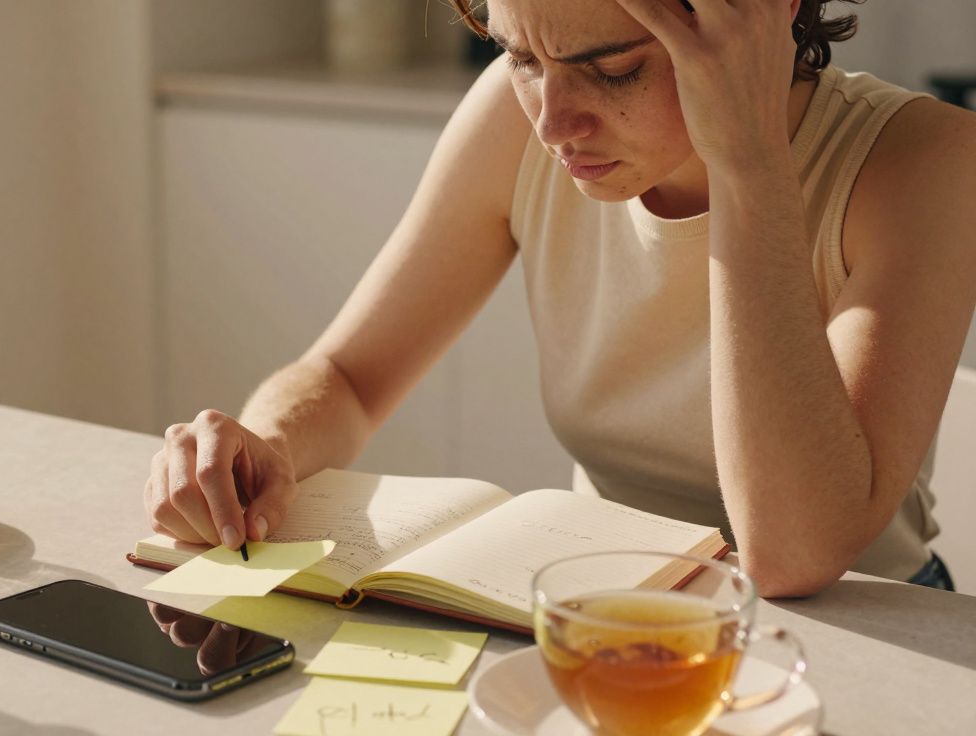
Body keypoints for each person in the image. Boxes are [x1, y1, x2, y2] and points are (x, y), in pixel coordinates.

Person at [143, 0, 975, 596]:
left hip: (867, 633)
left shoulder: (925, 163)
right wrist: (265, 448)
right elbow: (349, 377)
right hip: (610, 612)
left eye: (612, 70)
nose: (551, 123)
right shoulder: (516, 120)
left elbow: (794, 555)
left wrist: (748, 164)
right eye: (521, 59)